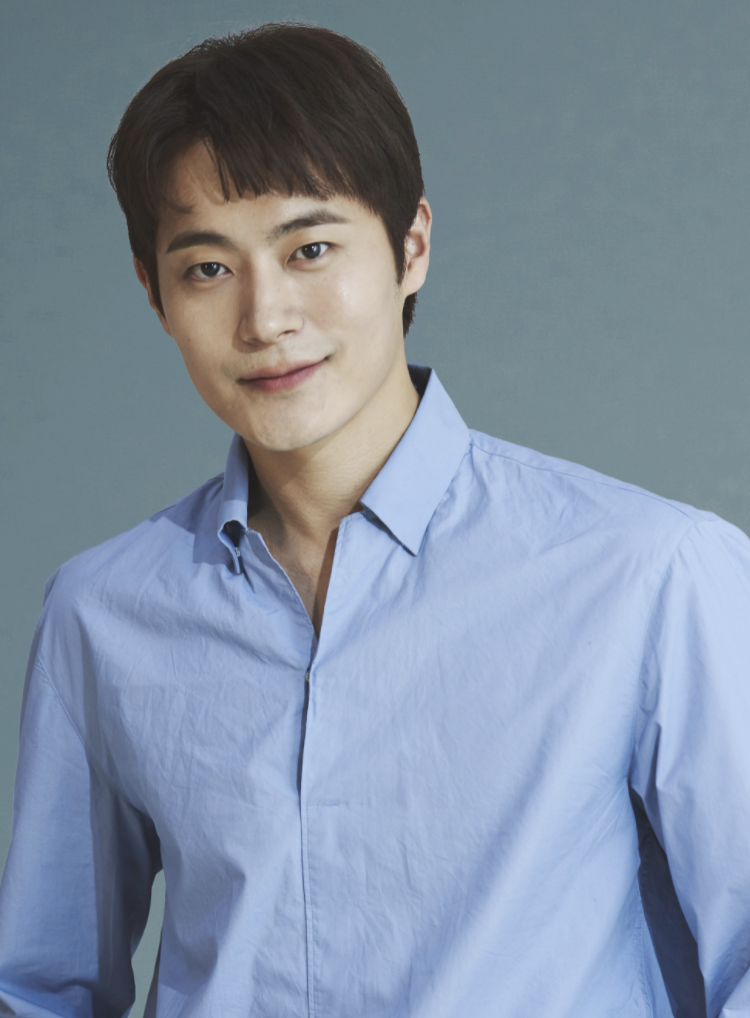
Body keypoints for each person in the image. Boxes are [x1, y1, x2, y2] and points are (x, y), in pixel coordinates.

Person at [0, 21, 749, 1018]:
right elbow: (37, 989)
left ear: (411, 247)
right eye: (208, 268)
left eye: (310, 248)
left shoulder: (654, 574)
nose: (266, 318)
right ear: (154, 291)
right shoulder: (100, 615)